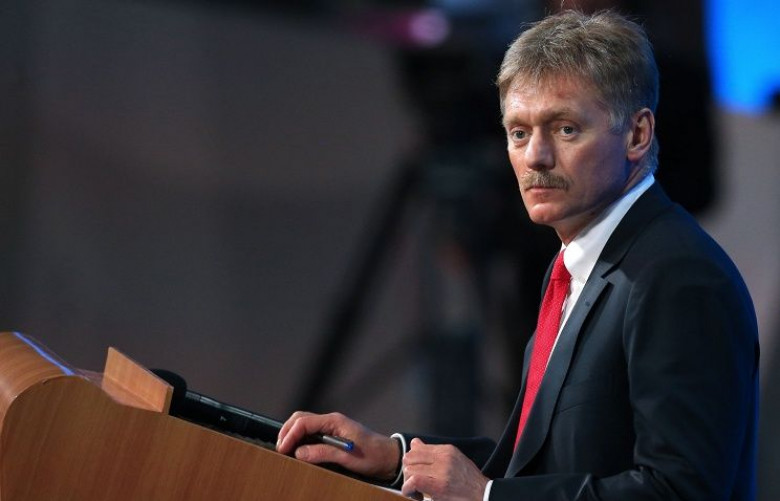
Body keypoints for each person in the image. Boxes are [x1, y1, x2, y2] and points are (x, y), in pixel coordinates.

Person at [277, 9, 759, 500]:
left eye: (565, 129)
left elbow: (681, 491)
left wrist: (487, 496)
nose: (535, 157)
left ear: (637, 135)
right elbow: (536, 465)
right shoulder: (575, 267)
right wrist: (397, 457)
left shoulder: (678, 276)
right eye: (519, 133)